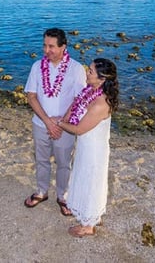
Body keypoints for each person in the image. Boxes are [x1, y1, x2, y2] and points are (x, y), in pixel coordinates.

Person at [23, 28, 87, 216]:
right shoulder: (37, 67)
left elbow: (78, 100)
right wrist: (48, 122)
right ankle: (42, 191)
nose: (46, 50)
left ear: (63, 47)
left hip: (65, 127)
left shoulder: (76, 69)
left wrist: (60, 123)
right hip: (40, 123)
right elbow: (31, 96)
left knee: (63, 163)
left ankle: (63, 195)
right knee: (41, 160)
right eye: (44, 45)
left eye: (51, 46)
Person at [56, 58, 119, 237]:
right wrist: (65, 117)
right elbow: (77, 104)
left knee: (91, 181)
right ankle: (90, 215)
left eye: (90, 71)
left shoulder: (100, 103)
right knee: (84, 177)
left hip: (94, 150)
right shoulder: (90, 90)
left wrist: (59, 123)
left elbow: (79, 129)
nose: (86, 73)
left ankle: (88, 226)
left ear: (102, 79)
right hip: (86, 145)